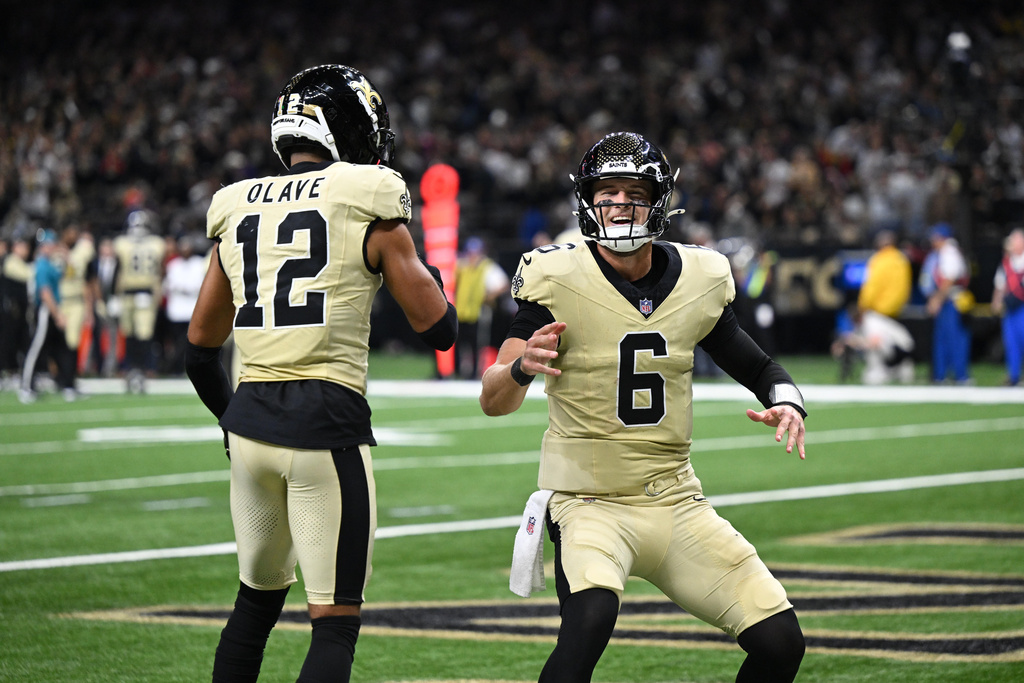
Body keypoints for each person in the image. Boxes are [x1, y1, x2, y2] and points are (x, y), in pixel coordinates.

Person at [480, 132, 806, 683]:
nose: (620, 205)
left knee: (780, 643)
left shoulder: (700, 278)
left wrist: (787, 402)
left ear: (661, 201)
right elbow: (493, 399)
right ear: (587, 201)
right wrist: (519, 367)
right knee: (591, 619)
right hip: (588, 501)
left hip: (676, 500)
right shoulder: (557, 276)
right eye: (607, 193)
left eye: (635, 192)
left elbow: (759, 368)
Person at [186, 64, 457, 683]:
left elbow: (199, 351)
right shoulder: (369, 198)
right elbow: (440, 331)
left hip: (249, 426)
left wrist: (232, 421)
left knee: (253, 608)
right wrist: (426, 277)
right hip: (324, 424)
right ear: (350, 128)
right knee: (334, 622)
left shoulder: (235, 204)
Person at [846, 229, 915, 384]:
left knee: (875, 343)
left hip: (877, 313)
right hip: (897, 312)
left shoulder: (879, 260)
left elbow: (871, 288)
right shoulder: (901, 259)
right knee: (900, 341)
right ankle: (903, 370)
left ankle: (878, 371)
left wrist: (863, 306)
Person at [19, 229, 78, 402]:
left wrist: (66, 257)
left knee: (62, 348)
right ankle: (26, 386)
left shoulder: (49, 263)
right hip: (46, 309)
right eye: (51, 244)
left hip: (51, 309)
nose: (54, 247)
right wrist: (57, 314)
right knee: (37, 348)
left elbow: (69, 273)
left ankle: (67, 384)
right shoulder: (42, 264)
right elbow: (45, 292)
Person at [113, 208, 166, 392]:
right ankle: (139, 372)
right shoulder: (157, 244)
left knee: (132, 335)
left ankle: (134, 371)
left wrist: (113, 294)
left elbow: (116, 271)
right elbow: (160, 271)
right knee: (141, 335)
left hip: (128, 292)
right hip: (145, 292)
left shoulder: (121, 243)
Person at [920, 222, 972, 383]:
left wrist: (936, 300)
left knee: (954, 339)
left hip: (952, 301)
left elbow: (948, 280)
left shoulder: (950, 252)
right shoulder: (939, 254)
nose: (932, 241)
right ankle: (941, 375)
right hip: (945, 302)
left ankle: (960, 375)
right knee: (942, 339)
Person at [454, 236, 510, 379]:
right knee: (459, 343)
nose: (473, 256)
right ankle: (458, 371)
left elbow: (503, 284)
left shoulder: (487, 266)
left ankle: (474, 372)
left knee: (477, 343)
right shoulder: (461, 265)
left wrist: (489, 296)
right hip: (460, 310)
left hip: (479, 312)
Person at [162, 234, 207, 375]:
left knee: (190, 342)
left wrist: (184, 288)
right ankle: (176, 368)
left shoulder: (199, 263)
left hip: (192, 309)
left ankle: (185, 368)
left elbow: (200, 285)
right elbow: (169, 285)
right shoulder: (173, 265)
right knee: (177, 342)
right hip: (177, 310)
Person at [57, 223, 96, 387]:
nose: (72, 236)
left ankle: (69, 379)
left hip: (75, 300)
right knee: (56, 342)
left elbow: (87, 281)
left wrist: (89, 308)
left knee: (72, 341)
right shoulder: (54, 251)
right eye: (69, 232)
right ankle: (60, 377)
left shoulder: (83, 250)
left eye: (75, 233)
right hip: (58, 301)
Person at [991, 227, 1024, 386]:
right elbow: (1000, 285)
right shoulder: (1006, 263)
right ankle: (1014, 375)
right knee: (1012, 342)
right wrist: (996, 301)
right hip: (1011, 307)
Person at [1, 235, 32, 388]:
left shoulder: (18, 261)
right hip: (10, 309)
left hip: (19, 309)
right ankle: (9, 371)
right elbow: (28, 274)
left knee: (21, 340)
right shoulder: (10, 261)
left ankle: (15, 370)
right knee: (9, 341)